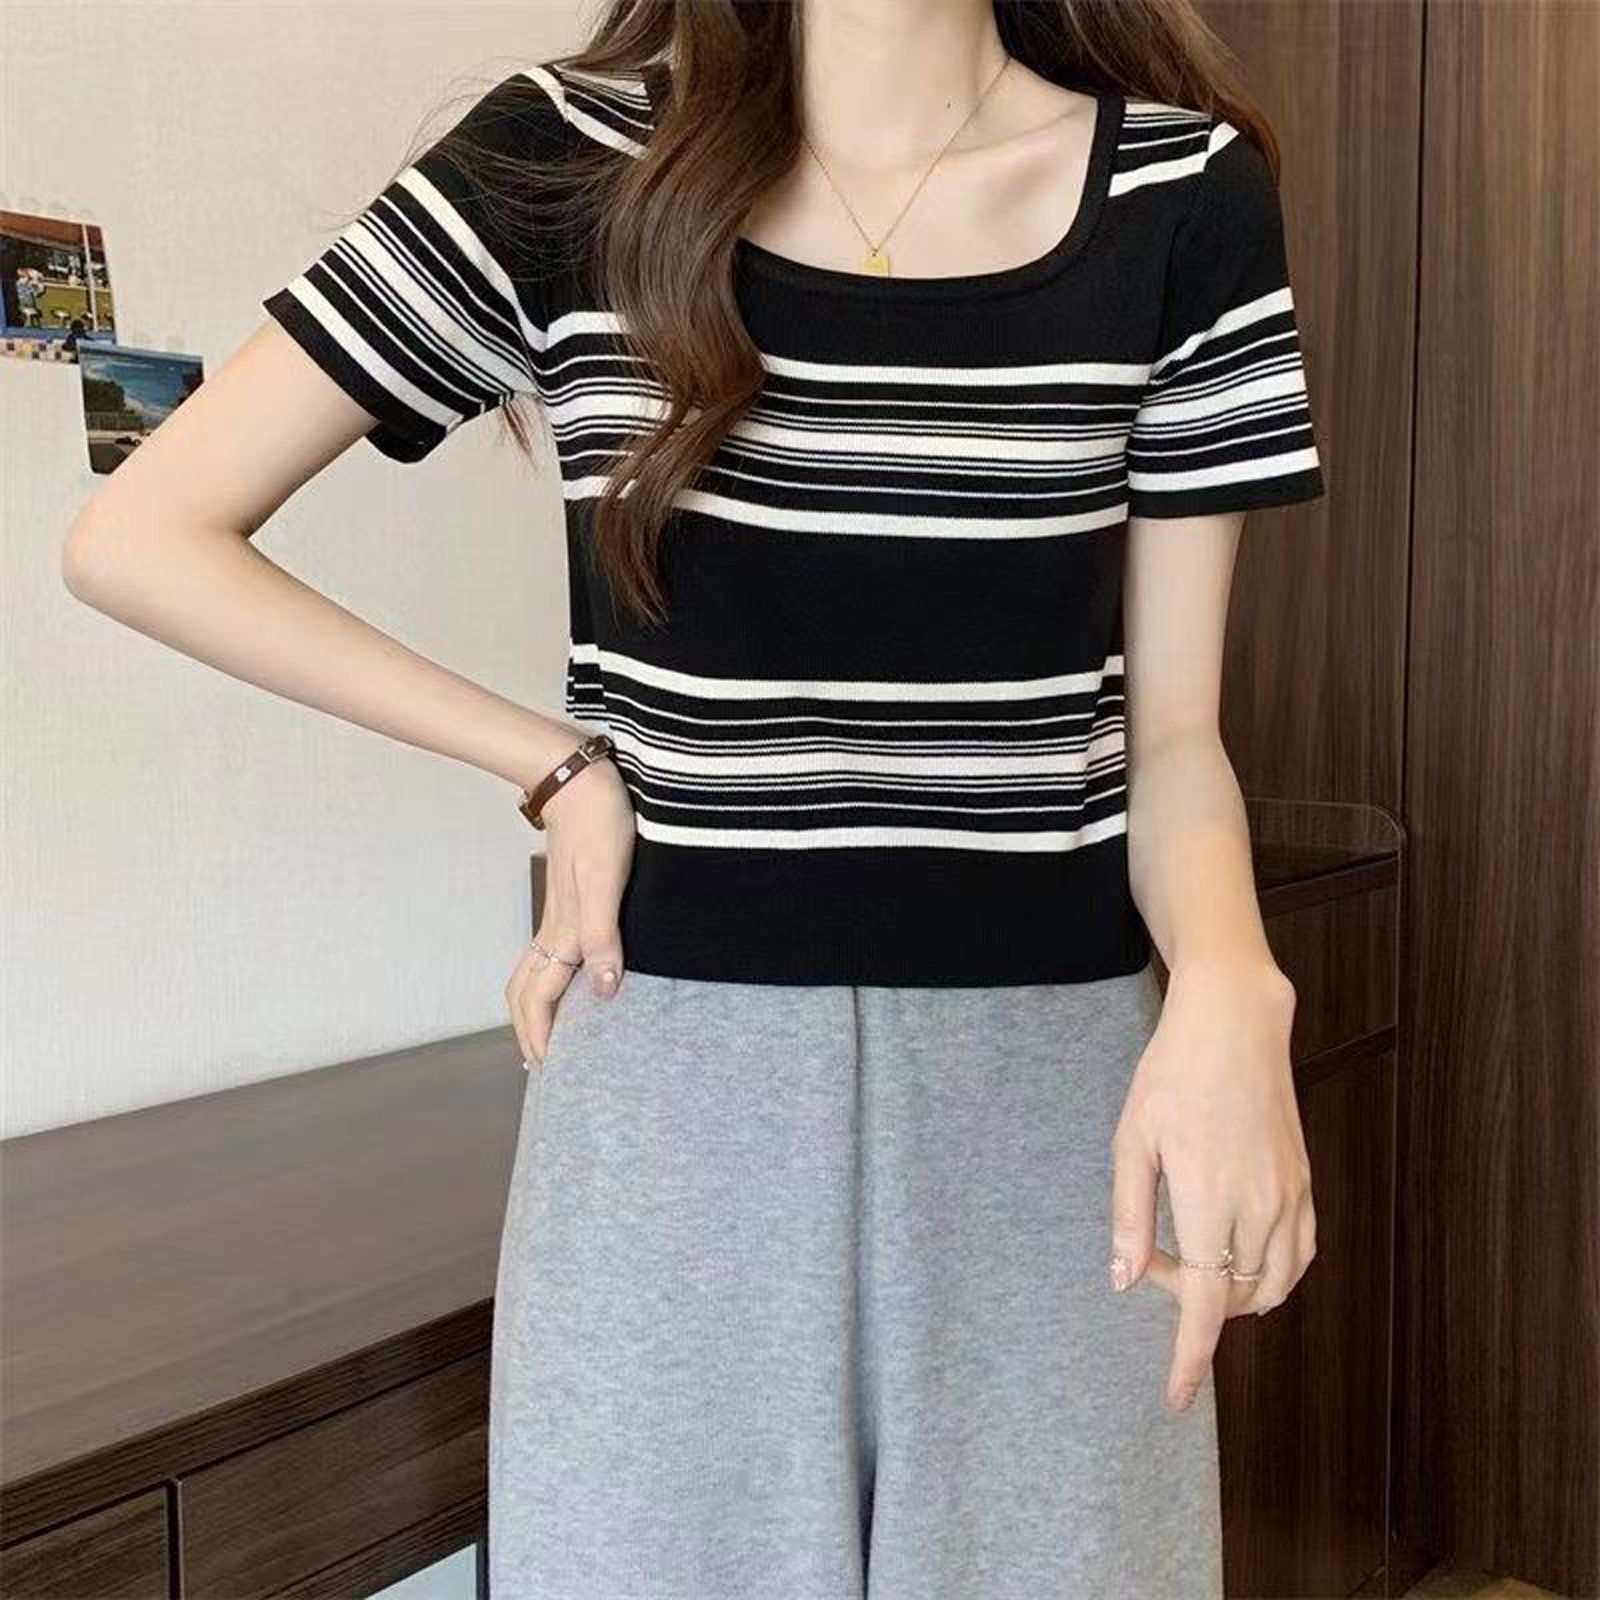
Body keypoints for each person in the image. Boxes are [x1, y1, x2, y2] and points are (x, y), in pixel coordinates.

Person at [62, 1, 1326, 1594]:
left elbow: (1176, 737)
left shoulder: (1181, 198)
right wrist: (551, 764)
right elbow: (144, 533)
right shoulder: (565, 162)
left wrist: (1232, 990)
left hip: (1058, 1098)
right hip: (672, 1096)